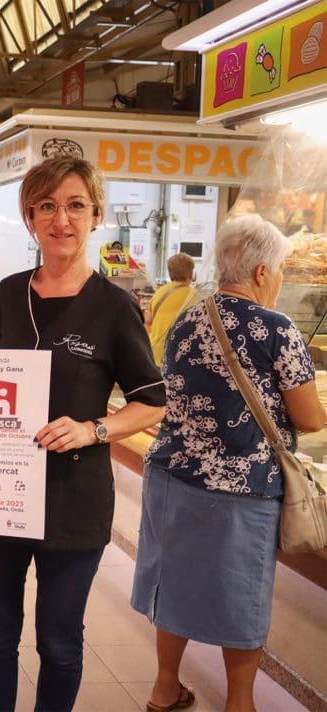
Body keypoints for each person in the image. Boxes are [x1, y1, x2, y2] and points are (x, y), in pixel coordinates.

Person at [0, 155, 165, 712]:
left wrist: (93, 429)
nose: (61, 219)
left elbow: (152, 403)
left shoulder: (114, 307)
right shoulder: (7, 295)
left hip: (72, 503)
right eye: (46, 206)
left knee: (59, 643)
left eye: (75, 205)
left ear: (96, 215)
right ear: (29, 217)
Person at [132, 214, 326, 712]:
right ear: (261, 272)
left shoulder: (187, 319)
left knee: (174, 584)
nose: (279, 278)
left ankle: (164, 687)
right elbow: (311, 418)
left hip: (171, 475)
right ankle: (240, 702)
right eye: (279, 270)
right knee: (242, 597)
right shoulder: (277, 328)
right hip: (242, 489)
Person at [145, 253, 198, 364]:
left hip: (154, 352)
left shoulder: (159, 292)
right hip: (178, 355)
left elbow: (148, 320)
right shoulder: (195, 296)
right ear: (191, 273)